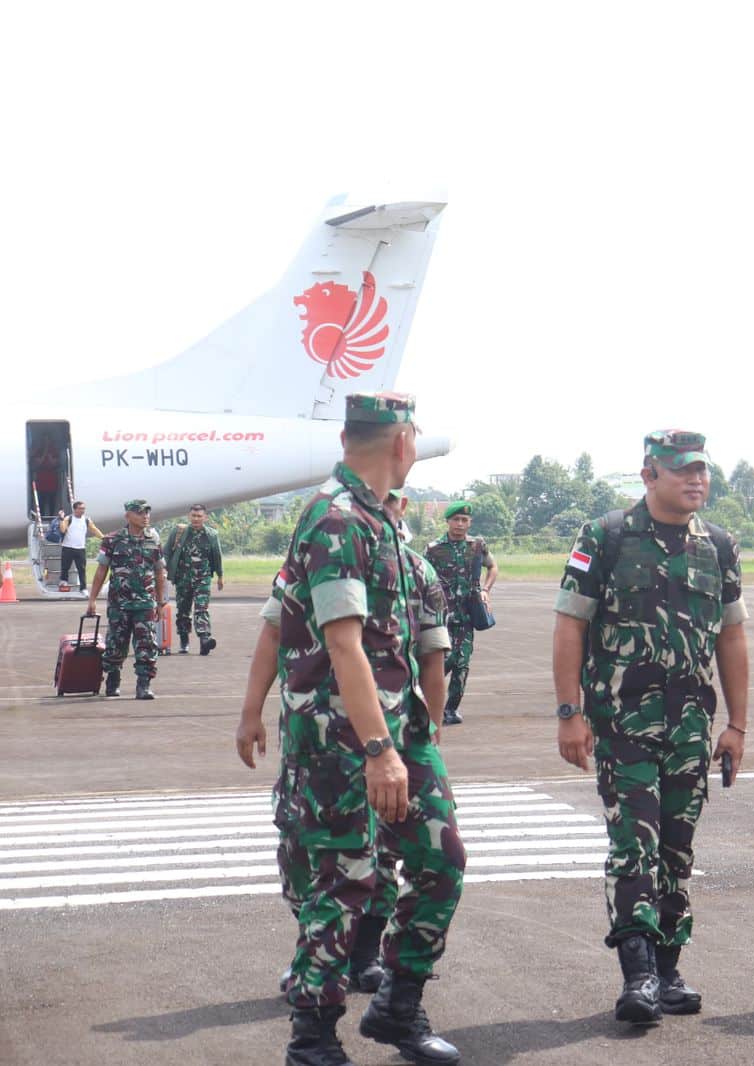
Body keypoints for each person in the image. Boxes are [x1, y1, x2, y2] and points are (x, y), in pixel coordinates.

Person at [251, 392, 464, 1066]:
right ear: (402, 442)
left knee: (440, 860)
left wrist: (407, 742)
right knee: (343, 884)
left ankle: (398, 1007)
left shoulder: (383, 524)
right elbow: (342, 645)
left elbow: (414, 648)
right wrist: (377, 751)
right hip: (344, 743)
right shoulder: (335, 519)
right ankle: (312, 1040)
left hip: (402, 735)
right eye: (414, 440)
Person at [552, 429, 749, 1025]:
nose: (696, 480)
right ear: (649, 474)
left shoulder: (718, 545)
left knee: (676, 851)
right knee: (633, 846)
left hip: (690, 726)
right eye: (682, 469)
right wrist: (570, 713)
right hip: (622, 724)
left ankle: (669, 968)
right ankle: (637, 976)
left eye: (702, 470)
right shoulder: (607, 536)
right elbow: (569, 627)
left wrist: (737, 724)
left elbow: (731, 636)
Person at [237, 489, 451, 1002]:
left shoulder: (420, 574)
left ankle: (360, 960)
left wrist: (432, 736)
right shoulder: (318, 556)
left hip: (391, 740)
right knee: (300, 855)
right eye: (387, 500)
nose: (393, 508)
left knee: (375, 856)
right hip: (317, 735)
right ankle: (316, 952)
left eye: (400, 502)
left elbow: (433, 661)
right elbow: (272, 635)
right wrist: (250, 713)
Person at [424, 501, 498, 725]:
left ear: (470, 522)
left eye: (464, 520)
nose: (459, 524)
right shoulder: (433, 548)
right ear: (447, 521)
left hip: (467, 615)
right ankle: (424, 703)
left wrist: (485, 590)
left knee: (462, 665)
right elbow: (421, 577)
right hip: (442, 616)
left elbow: (493, 566)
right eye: (455, 519)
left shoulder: (477, 546)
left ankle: (450, 710)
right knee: (442, 662)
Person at [86, 499, 166, 700]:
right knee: (116, 643)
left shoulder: (153, 540)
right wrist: (92, 600)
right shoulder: (112, 540)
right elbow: (101, 571)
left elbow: (159, 573)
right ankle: (113, 679)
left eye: (147, 512)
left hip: (145, 603)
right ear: (128, 516)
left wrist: (161, 602)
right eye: (140, 513)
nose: (145, 516)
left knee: (147, 643)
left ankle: (144, 684)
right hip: (119, 603)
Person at [163, 503, 225, 654]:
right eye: (193, 516)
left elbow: (217, 556)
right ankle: (184, 641)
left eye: (199, 516)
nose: (196, 519)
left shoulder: (211, 534)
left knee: (201, 609)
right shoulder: (179, 532)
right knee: (183, 611)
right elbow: (166, 553)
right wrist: (163, 570)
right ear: (189, 516)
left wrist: (220, 575)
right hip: (182, 578)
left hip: (202, 578)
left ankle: (205, 639)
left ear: (205, 517)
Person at [59, 501, 103, 593]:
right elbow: (63, 530)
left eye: (83, 508)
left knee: (81, 569)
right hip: (68, 547)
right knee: (65, 567)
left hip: (80, 549)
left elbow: (94, 530)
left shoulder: (86, 520)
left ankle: (83, 588)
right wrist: (61, 519)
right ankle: (64, 582)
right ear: (75, 509)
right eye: (80, 508)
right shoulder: (69, 518)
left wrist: (103, 537)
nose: (82, 510)